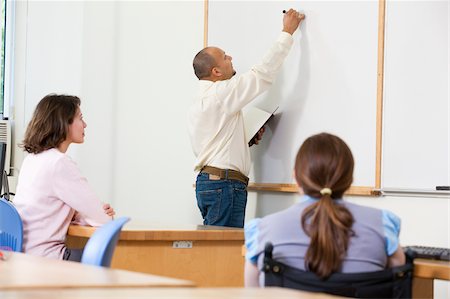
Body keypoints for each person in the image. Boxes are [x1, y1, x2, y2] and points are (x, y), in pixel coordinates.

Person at [188, 9, 306, 228]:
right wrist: (287, 32)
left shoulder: (201, 98)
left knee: (216, 252)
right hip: (224, 185)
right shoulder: (221, 93)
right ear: (216, 72)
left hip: (212, 183)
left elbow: (216, 139)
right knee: (223, 255)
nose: (230, 58)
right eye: (225, 57)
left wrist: (244, 138)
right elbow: (262, 73)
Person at [244, 133, 406, 286]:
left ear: (297, 178)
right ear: (349, 180)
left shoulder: (262, 230)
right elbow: (398, 281)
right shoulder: (382, 224)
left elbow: (252, 292)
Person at [14, 94, 115, 261]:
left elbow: (52, 209)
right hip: (46, 259)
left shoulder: (32, 160)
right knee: (118, 257)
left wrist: (80, 215)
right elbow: (103, 220)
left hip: (22, 256)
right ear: (63, 122)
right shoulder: (59, 163)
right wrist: (98, 214)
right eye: (80, 118)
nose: (85, 124)